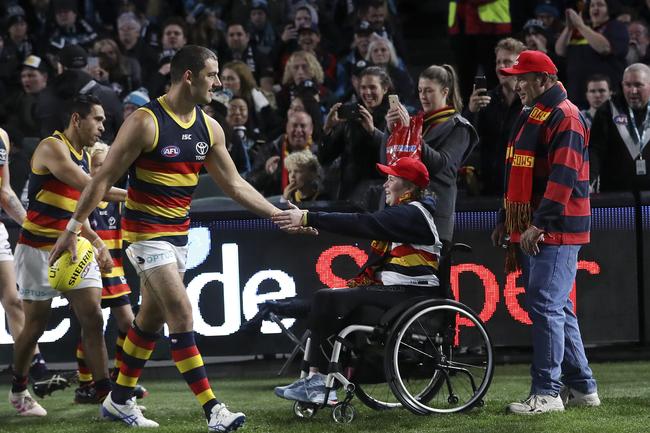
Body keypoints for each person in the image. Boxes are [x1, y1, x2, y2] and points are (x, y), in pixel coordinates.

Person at [48, 45, 289, 431]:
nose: (219, 82)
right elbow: (103, 180)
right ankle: (214, 409)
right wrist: (73, 229)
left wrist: (278, 215)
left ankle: (120, 399)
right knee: (181, 312)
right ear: (189, 76)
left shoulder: (210, 128)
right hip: (145, 236)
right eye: (212, 75)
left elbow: (234, 184)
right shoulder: (145, 122)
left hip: (179, 238)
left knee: (149, 322)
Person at [272, 157, 443, 404]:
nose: (385, 184)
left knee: (325, 298)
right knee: (328, 301)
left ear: (409, 187)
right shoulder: (407, 213)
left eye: (391, 179)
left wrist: (310, 217)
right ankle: (315, 380)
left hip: (410, 294)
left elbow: (363, 223)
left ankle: (318, 382)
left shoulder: (412, 213)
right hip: (398, 291)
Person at [490, 50, 599, 414]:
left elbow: (563, 178)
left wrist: (538, 225)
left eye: (524, 77)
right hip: (542, 223)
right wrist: (506, 218)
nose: (516, 84)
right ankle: (583, 388)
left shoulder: (564, 116)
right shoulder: (533, 114)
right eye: (515, 77)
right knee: (559, 308)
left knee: (546, 305)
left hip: (556, 227)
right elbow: (514, 174)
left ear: (546, 79)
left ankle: (548, 392)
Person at [9, 95, 126, 417]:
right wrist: (140, 196)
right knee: (34, 327)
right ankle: (19, 388)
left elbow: (80, 208)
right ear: (77, 119)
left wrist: (98, 243)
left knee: (93, 316)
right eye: (98, 119)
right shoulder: (51, 147)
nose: (103, 126)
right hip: (37, 250)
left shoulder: (85, 155)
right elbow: (90, 186)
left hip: (72, 248)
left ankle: (106, 396)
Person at [73, 142, 148, 404]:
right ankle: (86, 383)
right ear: (87, 169)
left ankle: (119, 378)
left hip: (114, 269)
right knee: (93, 326)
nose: (102, 171)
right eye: (96, 166)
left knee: (129, 324)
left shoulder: (117, 199)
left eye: (106, 166)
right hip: (88, 270)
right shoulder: (82, 198)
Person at [386, 64, 477, 247]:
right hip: (404, 213)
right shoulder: (417, 123)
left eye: (429, 91)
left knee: (433, 276)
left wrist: (410, 135)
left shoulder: (459, 126)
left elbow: (441, 165)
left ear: (445, 91)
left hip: (434, 219)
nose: (423, 96)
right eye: (420, 90)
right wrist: (393, 132)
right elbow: (389, 163)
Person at [0, 127, 55, 388]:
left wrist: (32, 226)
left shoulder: (2, 136)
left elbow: (5, 191)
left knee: (14, 300)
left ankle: (34, 370)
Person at [319, 66, 391, 201]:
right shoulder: (351, 117)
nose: (367, 92)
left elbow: (396, 156)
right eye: (363, 87)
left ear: (385, 88)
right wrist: (327, 129)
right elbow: (325, 158)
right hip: (350, 193)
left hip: (383, 194)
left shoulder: (395, 116)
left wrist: (373, 132)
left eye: (372, 87)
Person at [465, 37, 524, 196]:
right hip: (491, 188)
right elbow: (468, 140)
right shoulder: (486, 100)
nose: (500, 67)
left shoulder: (530, 102)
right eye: (498, 62)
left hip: (523, 189)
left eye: (507, 62)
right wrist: (471, 111)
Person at [555, 0, 629, 108]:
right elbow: (560, 51)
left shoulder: (616, 27)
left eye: (600, 5)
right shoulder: (577, 31)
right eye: (592, 5)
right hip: (577, 94)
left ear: (609, 8)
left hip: (605, 96)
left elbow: (604, 48)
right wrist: (569, 27)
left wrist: (581, 25)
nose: (595, 8)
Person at [590, 63, 650, 192]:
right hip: (616, 197)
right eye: (627, 85)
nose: (633, 91)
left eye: (638, 85)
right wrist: (589, 181)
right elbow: (595, 150)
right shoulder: (608, 110)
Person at [246, 110, 316, 197]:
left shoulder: (318, 153)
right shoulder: (271, 150)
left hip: (312, 204)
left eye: (303, 126)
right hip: (277, 206)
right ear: (287, 127)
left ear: (311, 129)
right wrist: (266, 173)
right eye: (294, 126)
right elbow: (250, 183)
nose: (298, 130)